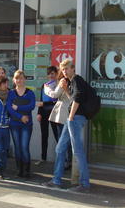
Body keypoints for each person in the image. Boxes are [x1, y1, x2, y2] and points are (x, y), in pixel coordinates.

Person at [46, 58, 91, 192]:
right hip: (73, 118)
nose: (64, 71)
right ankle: (56, 180)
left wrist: (70, 117)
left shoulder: (77, 80)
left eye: (67, 68)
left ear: (73, 69)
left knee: (77, 151)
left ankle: (84, 184)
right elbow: (72, 98)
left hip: (75, 118)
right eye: (63, 69)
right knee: (60, 149)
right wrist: (65, 89)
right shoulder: (72, 82)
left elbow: (77, 99)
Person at [7, 70, 36, 178]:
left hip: (26, 125)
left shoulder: (30, 93)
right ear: (14, 80)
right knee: (17, 147)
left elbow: (31, 106)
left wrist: (18, 107)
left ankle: (27, 170)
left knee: (24, 147)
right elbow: (9, 108)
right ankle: (19, 170)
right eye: (17, 78)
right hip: (14, 124)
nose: (19, 80)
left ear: (24, 79)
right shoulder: (11, 93)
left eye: (21, 78)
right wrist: (21, 116)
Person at [47, 70, 73, 170]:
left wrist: (47, 89)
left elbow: (55, 95)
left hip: (62, 113)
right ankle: (68, 160)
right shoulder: (72, 81)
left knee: (62, 139)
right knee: (67, 139)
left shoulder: (63, 80)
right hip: (68, 112)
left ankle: (64, 161)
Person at [35, 66, 59, 165]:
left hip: (55, 113)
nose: (51, 76)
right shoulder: (44, 86)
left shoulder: (58, 86)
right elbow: (41, 100)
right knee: (44, 136)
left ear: (56, 74)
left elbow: (57, 102)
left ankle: (62, 159)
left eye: (53, 73)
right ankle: (43, 158)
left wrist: (44, 104)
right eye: (49, 74)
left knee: (57, 135)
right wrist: (39, 113)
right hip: (44, 113)